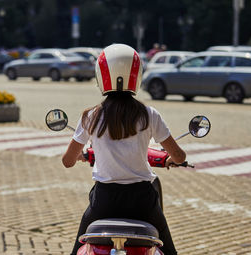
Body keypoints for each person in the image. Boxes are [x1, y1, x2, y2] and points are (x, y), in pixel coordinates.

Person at [63, 44, 185, 255]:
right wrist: (172, 158)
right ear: (137, 75)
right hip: (143, 200)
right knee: (169, 250)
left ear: (101, 76)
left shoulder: (90, 116)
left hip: (104, 200)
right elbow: (179, 156)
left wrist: (80, 156)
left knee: (78, 248)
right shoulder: (149, 114)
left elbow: (67, 161)